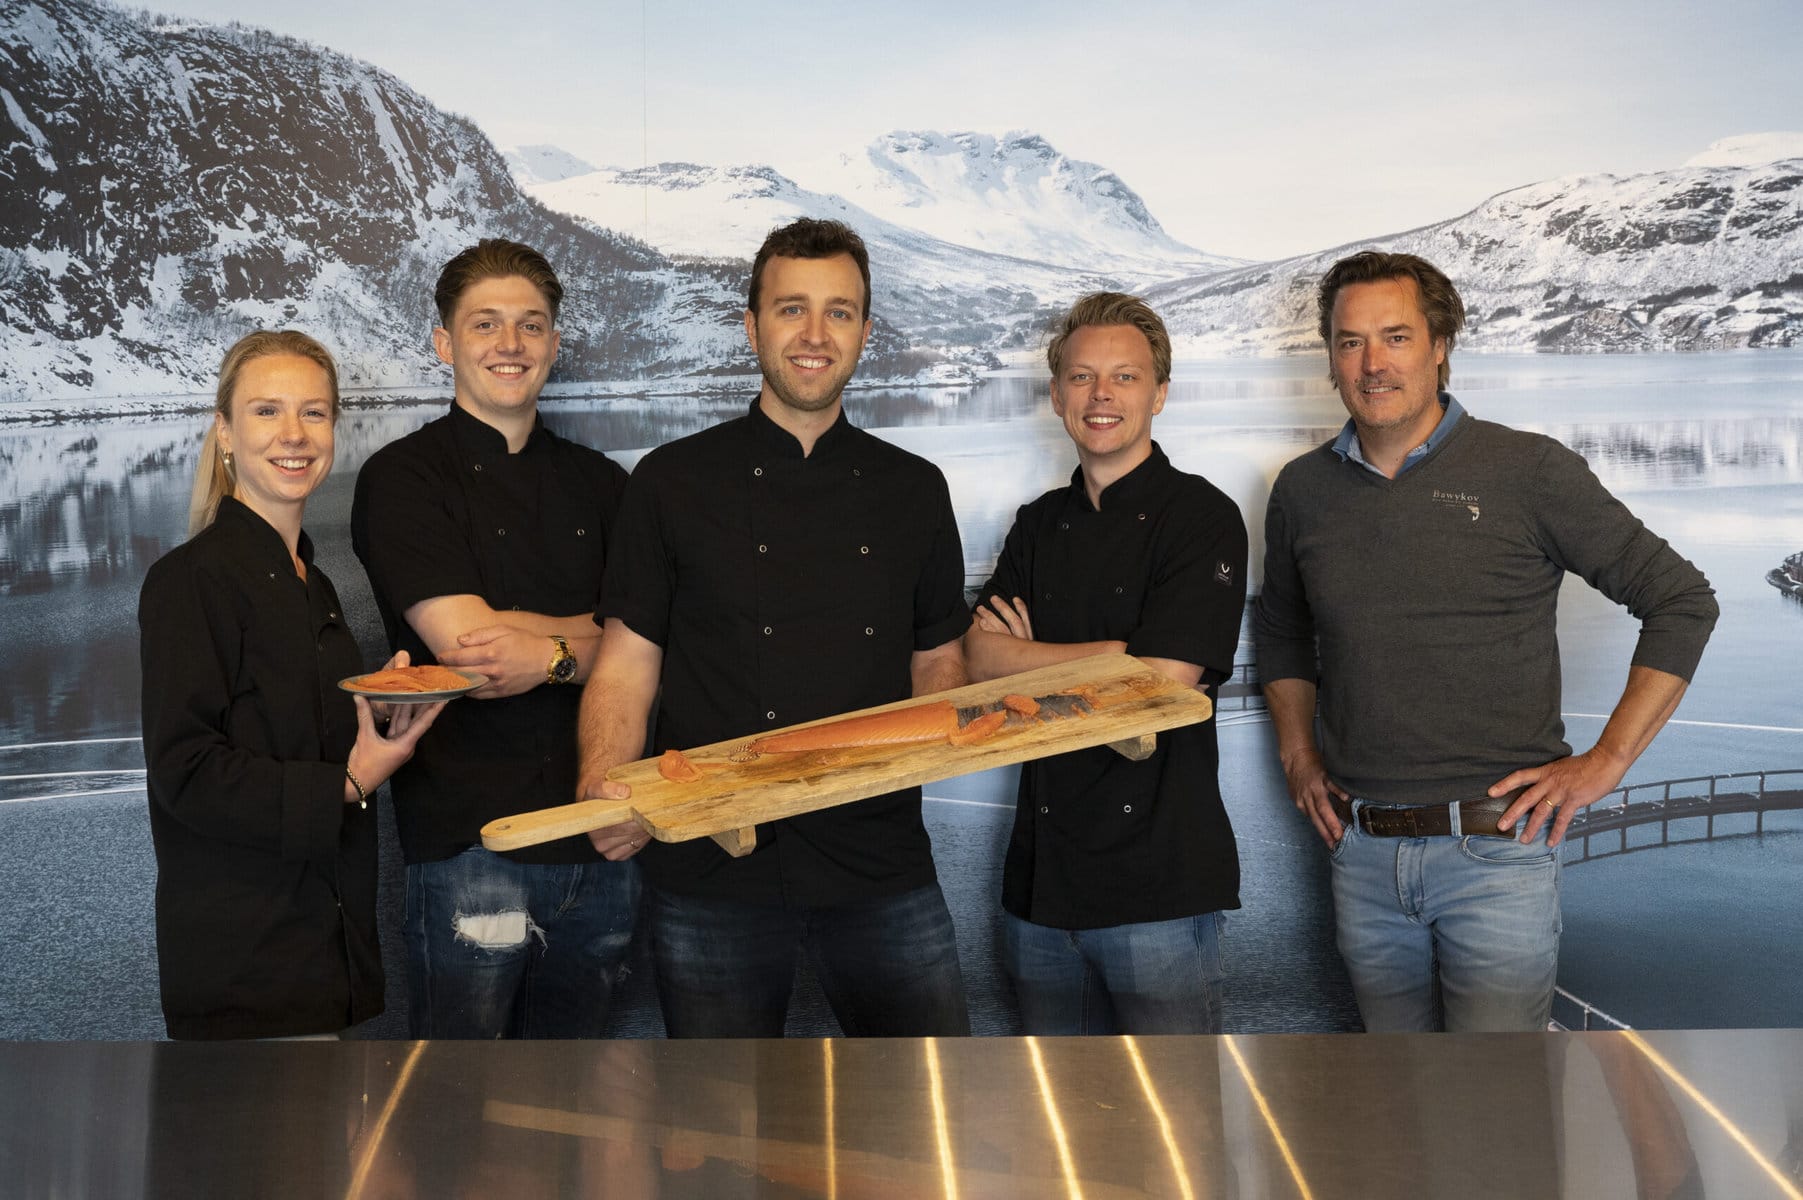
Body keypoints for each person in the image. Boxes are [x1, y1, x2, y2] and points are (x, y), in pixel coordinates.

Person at [1253, 250, 1718, 1032]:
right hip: (1360, 853)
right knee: (1391, 1088)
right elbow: (1282, 629)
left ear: (1439, 346)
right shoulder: (1301, 490)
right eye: (1349, 341)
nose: (1371, 364)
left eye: (1396, 337)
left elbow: (1680, 600)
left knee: (1499, 1096)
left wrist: (1606, 761)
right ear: (1329, 357)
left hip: (1496, 853)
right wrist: (1298, 755)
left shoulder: (1526, 470)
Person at [576, 218, 971, 1038]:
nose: (815, 334)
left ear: (864, 331)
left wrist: (927, 747)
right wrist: (602, 782)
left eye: (838, 312)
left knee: (923, 1095)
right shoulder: (670, 482)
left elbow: (937, 659)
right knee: (718, 1107)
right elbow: (625, 665)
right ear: (751, 326)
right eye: (792, 309)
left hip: (878, 859)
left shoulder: (914, 489)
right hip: (710, 863)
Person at [351, 240, 637, 1038]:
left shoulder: (607, 485)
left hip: (603, 836)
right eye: (485, 324)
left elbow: (660, 642)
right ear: (445, 342)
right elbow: (473, 651)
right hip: (471, 846)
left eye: (530, 324)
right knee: (461, 1094)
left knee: (580, 1090)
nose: (510, 344)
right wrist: (601, 639)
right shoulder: (403, 478)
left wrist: (547, 656)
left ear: (554, 342)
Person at [139, 330, 441, 1039]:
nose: (295, 434)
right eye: (267, 411)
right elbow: (186, 773)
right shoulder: (189, 581)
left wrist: (380, 710)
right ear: (225, 431)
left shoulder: (313, 581)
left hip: (319, 951)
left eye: (314, 412)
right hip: (246, 961)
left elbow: (288, 729)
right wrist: (351, 781)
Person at [964, 292, 1247, 1034]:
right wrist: (1112, 654)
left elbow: (1163, 683)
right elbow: (978, 656)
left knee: (1174, 1103)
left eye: (1124, 377)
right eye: (1082, 377)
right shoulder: (1037, 524)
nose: (1101, 396)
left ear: (1159, 394)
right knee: (1054, 1102)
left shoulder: (1202, 518)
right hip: (1040, 887)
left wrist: (1032, 660)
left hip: (1159, 886)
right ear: (1057, 394)